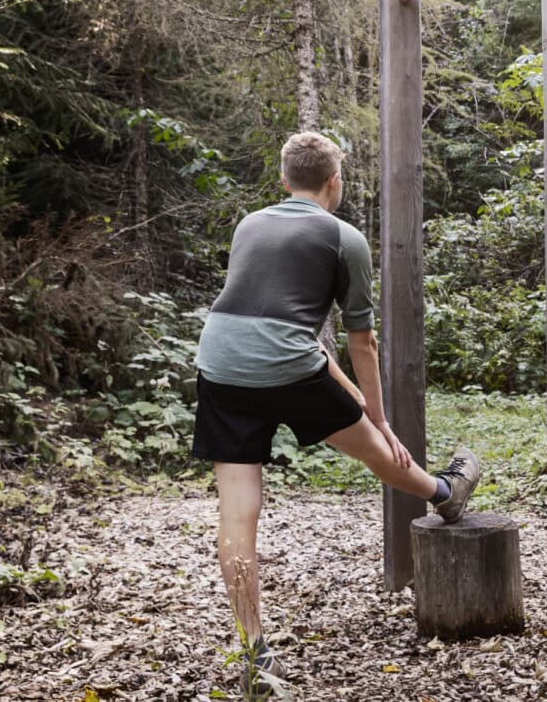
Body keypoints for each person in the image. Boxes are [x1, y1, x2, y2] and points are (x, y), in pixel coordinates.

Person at [191, 131, 481, 695]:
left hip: (219, 360)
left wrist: (362, 406)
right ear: (335, 183)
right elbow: (360, 342)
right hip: (287, 363)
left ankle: (254, 650)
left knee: (237, 508)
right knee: (376, 452)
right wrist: (379, 417)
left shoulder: (250, 225)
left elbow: (298, 336)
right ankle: (445, 495)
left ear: (283, 181)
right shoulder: (343, 238)